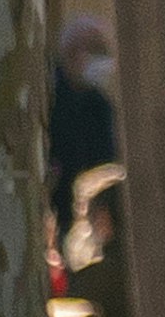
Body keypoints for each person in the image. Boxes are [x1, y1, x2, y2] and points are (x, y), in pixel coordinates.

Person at [43, 18, 121, 244]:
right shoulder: (48, 95)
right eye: (98, 50)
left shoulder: (99, 104)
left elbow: (105, 160)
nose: (103, 60)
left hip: (82, 215)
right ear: (72, 52)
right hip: (50, 205)